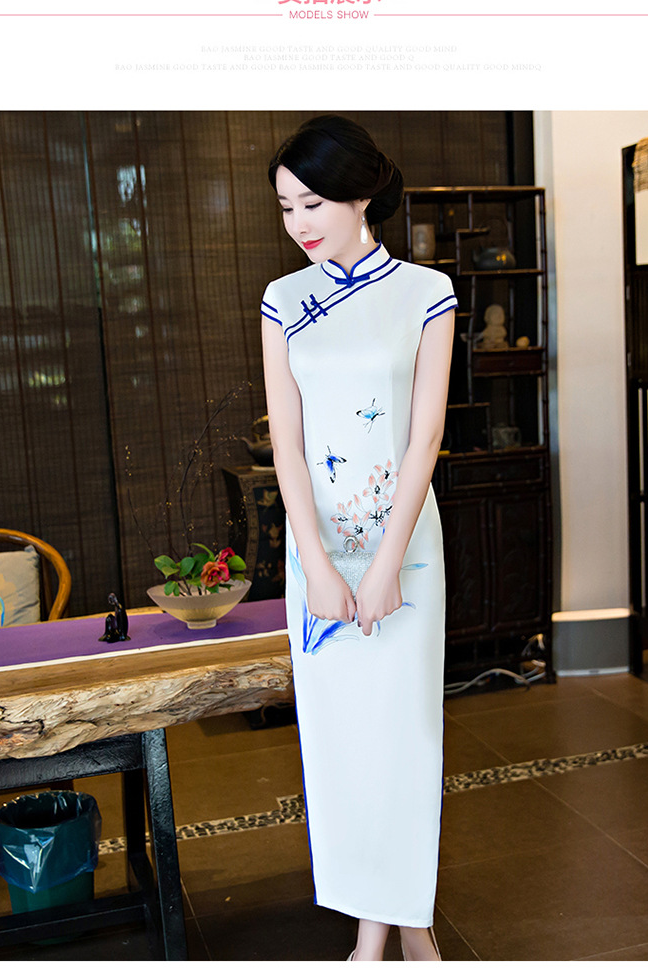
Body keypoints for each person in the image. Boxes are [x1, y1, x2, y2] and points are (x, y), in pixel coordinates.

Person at [260, 115, 456, 962]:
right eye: (285, 207)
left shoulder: (427, 293)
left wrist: (384, 568)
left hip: (406, 553)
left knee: (404, 738)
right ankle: (403, 932)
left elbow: (424, 439)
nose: (299, 223)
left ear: (361, 195)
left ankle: (381, 939)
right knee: (342, 745)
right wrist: (316, 565)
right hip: (318, 558)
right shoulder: (281, 301)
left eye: (313, 202)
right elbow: (287, 446)